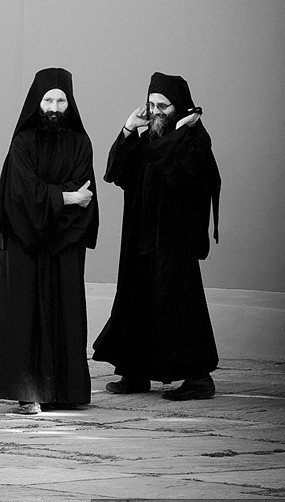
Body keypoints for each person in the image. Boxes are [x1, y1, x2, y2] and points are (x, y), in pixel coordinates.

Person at [92, 71, 221, 401]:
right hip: (140, 237)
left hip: (174, 241)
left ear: (179, 108)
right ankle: (135, 373)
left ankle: (198, 379)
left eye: (163, 106)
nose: (155, 111)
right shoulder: (148, 140)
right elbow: (114, 172)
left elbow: (178, 172)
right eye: (151, 105)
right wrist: (127, 129)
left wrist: (179, 132)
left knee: (178, 308)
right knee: (136, 303)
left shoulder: (194, 144)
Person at [0, 68, 99, 414]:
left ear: (69, 103)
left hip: (64, 244)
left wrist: (54, 204)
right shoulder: (22, 142)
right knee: (26, 315)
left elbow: (86, 192)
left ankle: (67, 391)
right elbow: (21, 195)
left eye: (61, 100)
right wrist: (65, 199)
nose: (54, 106)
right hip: (26, 242)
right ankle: (26, 389)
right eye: (48, 99)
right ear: (37, 102)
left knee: (66, 312)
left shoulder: (81, 143)